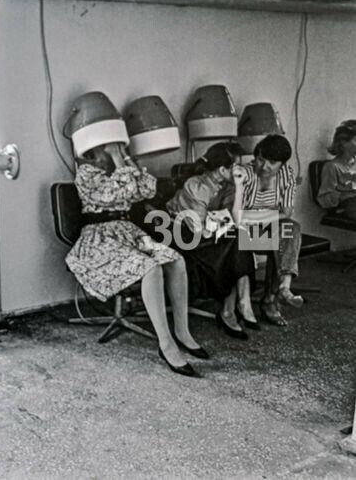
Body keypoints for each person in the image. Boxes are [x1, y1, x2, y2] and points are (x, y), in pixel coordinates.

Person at [66, 141, 205, 377]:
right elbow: (119, 193)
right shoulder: (86, 173)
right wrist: (118, 159)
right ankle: (166, 343)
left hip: (127, 232)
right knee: (151, 268)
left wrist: (126, 158)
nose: (117, 148)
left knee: (175, 260)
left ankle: (182, 331)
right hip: (99, 237)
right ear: (97, 146)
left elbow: (148, 189)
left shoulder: (121, 168)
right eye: (111, 145)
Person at [165, 141, 257, 339]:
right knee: (236, 242)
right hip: (182, 235)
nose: (241, 170)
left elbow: (236, 221)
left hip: (209, 231)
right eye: (237, 166)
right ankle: (234, 308)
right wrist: (224, 223)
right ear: (222, 170)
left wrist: (240, 188)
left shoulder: (228, 185)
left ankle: (237, 305)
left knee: (240, 237)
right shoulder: (196, 186)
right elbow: (201, 230)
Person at [235, 134, 302, 327]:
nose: (265, 166)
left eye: (272, 162)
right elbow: (239, 216)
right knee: (280, 235)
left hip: (268, 229)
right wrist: (269, 216)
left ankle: (282, 288)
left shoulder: (286, 174)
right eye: (261, 159)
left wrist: (258, 216)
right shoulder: (246, 173)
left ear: (282, 164)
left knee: (291, 228)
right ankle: (272, 298)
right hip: (242, 232)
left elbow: (287, 212)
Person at [317, 119, 356, 219]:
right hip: (348, 206)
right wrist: (344, 194)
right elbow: (323, 199)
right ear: (344, 142)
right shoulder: (332, 167)